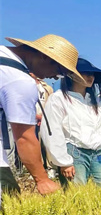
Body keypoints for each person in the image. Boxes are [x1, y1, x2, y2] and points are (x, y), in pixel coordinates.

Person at [1, 34, 85, 197]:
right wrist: (42, 180)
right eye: (59, 71)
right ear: (44, 56)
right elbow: (24, 137)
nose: (55, 77)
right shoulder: (20, 81)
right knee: (10, 203)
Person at [41, 58, 101, 186]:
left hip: (98, 153)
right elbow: (52, 131)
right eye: (86, 73)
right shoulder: (58, 99)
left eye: (92, 74)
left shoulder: (97, 102)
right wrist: (63, 162)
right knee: (77, 194)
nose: (90, 77)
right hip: (74, 152)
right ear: (72, 74)